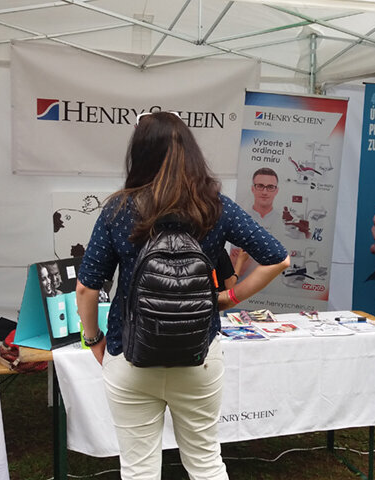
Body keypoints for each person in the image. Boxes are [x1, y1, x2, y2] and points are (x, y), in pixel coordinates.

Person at [75, 111, 289, 479]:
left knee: (138, 469)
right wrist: (229, 298)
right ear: (191, 152)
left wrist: (93, 338)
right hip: (199, 355)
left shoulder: (119, 209)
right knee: (205, 462)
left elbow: (86, 287)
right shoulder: (215, 206)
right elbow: (278, 258)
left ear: (139, 153)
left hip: (130, 354)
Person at [229, 167, 282, 278]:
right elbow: (236, 266)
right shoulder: (240, 219)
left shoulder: (283, 222)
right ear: (253, 189)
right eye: (260, 186)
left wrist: (249, 254)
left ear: (276, 191)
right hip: (243, 284)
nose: (264, 192)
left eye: (270, 187)